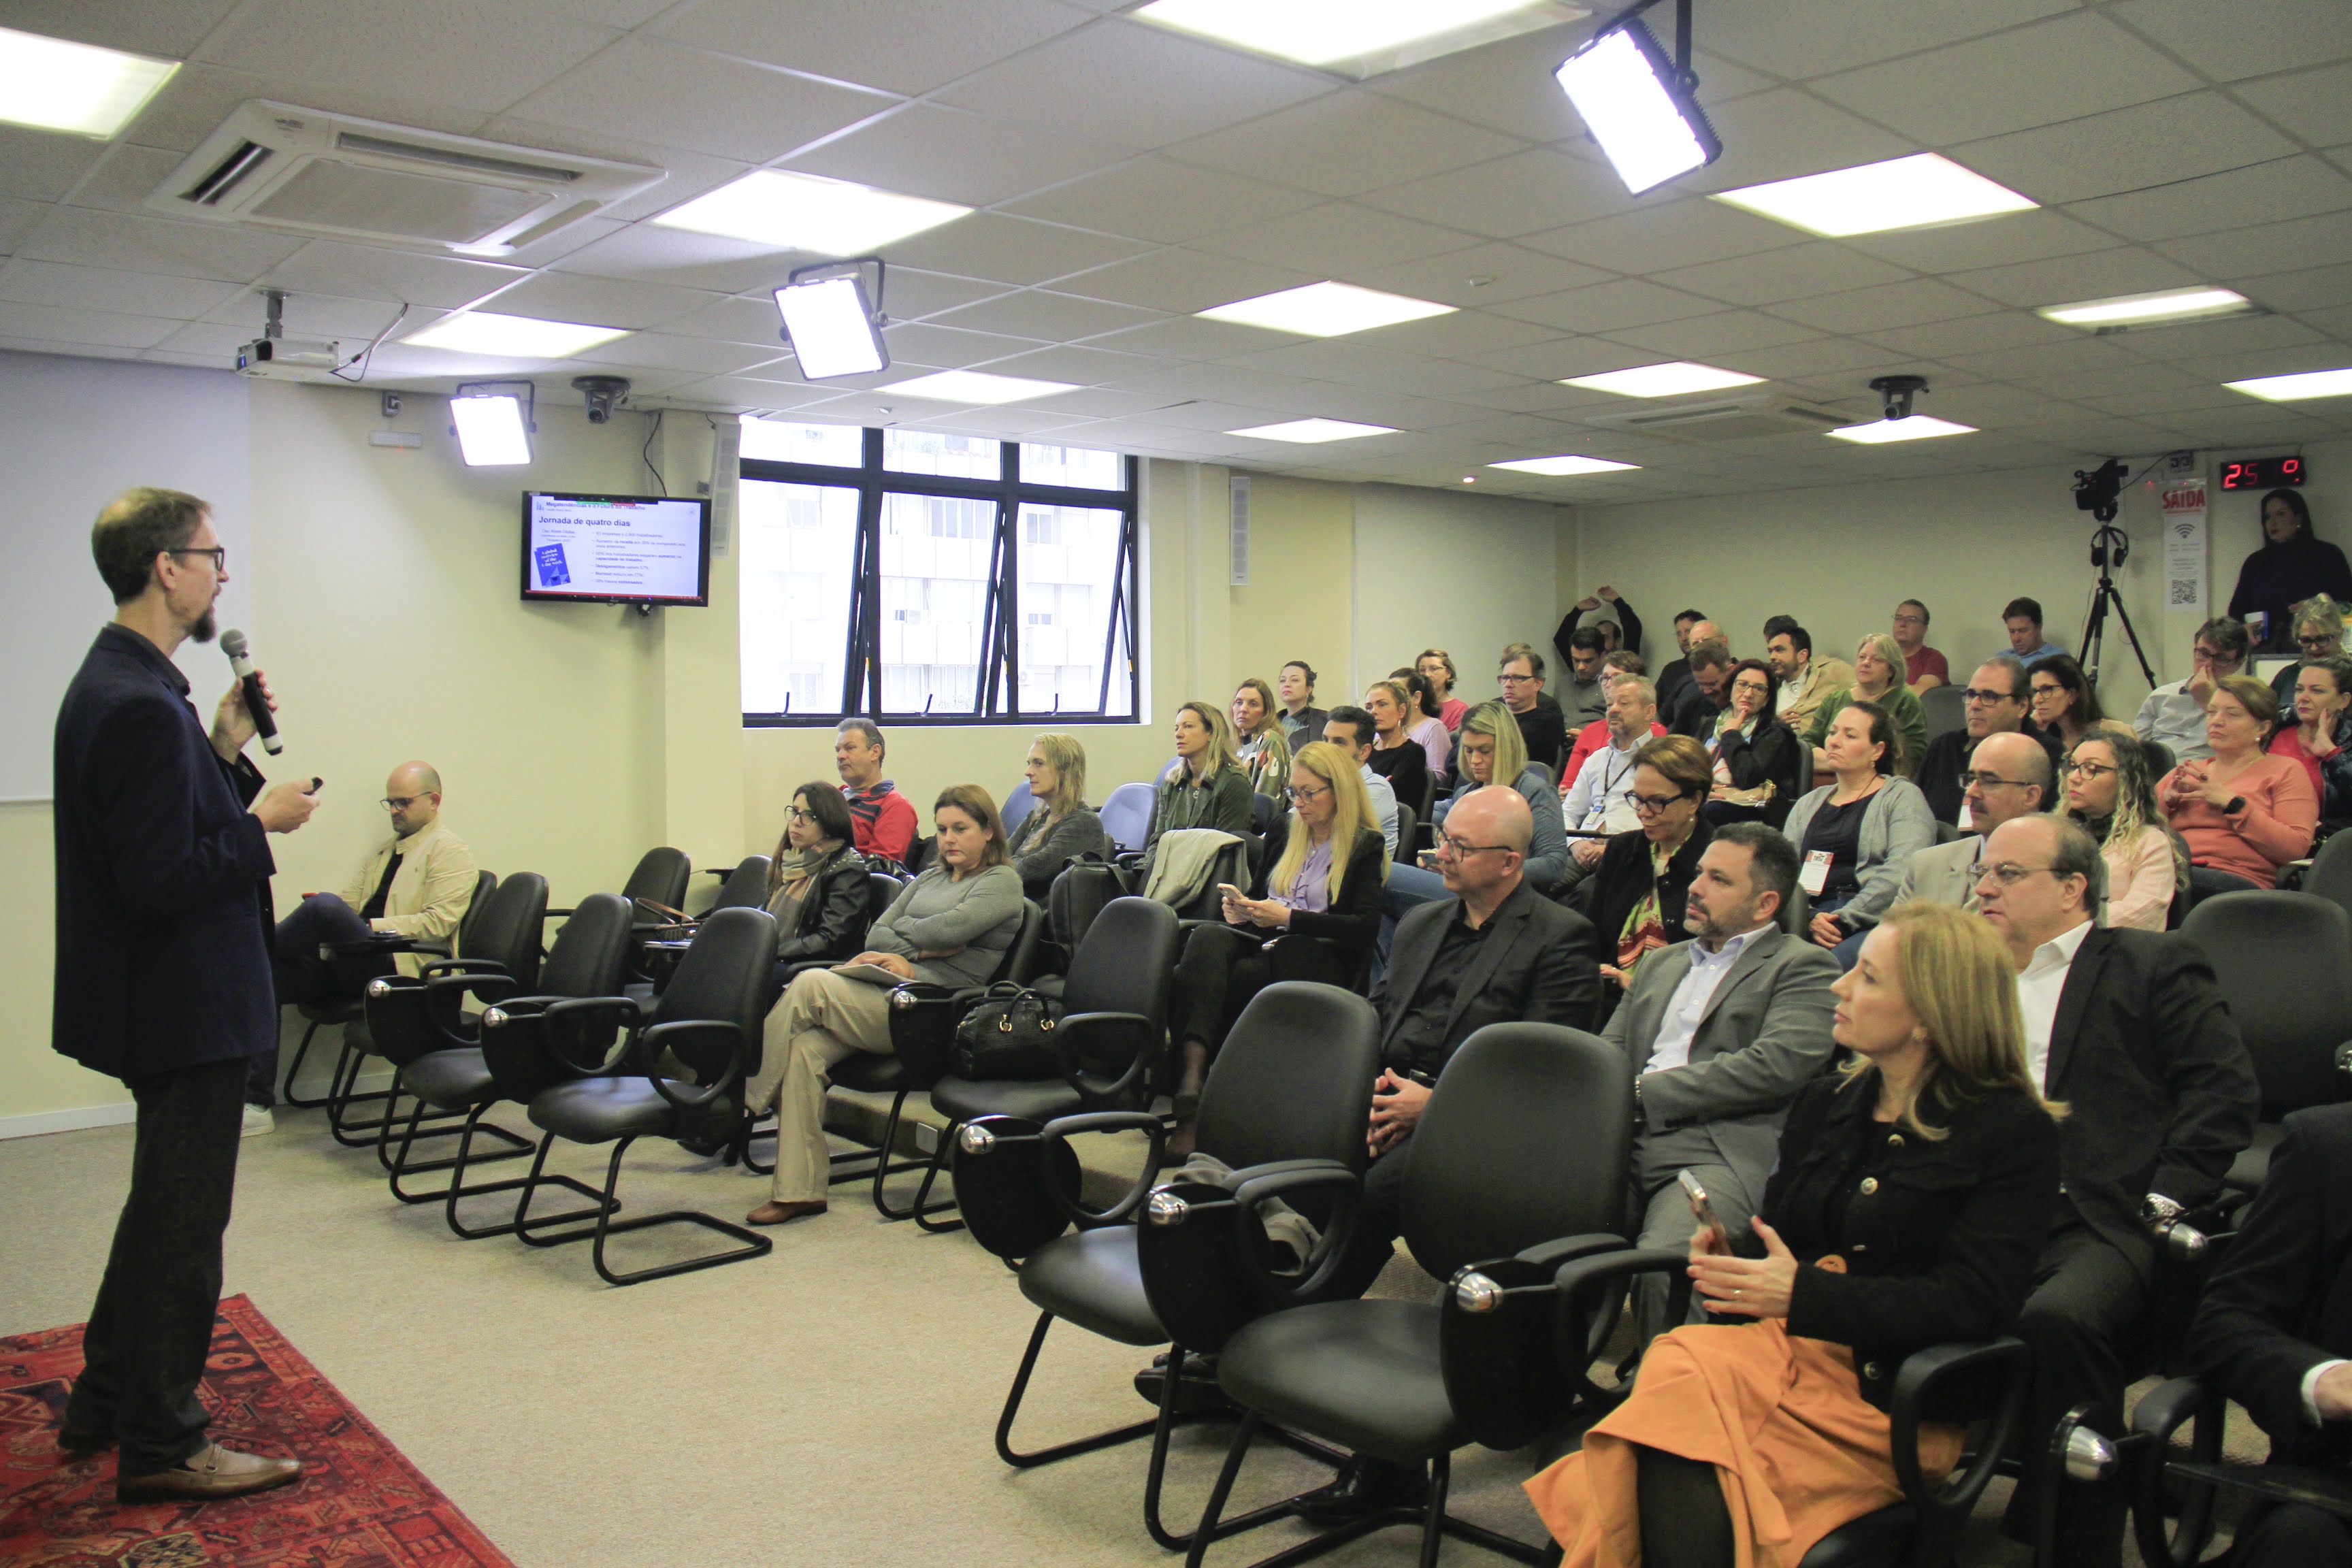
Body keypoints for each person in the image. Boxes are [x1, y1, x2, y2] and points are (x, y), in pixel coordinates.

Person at [1524, 902, 2066, 1568]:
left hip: (1884, 1405)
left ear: (1929, 1013)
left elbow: (1977, 1304)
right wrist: (1738, 1265)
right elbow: (1782, 1244)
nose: (1840, 986)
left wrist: (1801, 1294)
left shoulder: (2012, 1131)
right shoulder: (1830, 1102)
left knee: (1652, 1447)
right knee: (1670, 1427)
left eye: (1867, 978)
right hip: (1777, 1359)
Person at [54, 486, 319, 1501]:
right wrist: (268, 825)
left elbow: (163, 826)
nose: (220, 575)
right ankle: (165, 1446)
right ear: (165, 568)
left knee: (155, 1212)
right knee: (181, 1232)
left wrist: (221, 747)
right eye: (211, 556)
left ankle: (104, 1399)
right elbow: (161, 877)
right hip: (182, 1006)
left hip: (167, 1001)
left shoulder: (134, 688)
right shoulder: (129, 702)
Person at [1298, 787, 1603, 1522]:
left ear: (1509, 862)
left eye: (1461, 849)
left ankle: (1383, 1453)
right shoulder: (1425, 920)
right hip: (1395, 1093)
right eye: (1444, 842)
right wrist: (1367, 1093)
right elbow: (1380, 1014)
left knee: (1369, 1198)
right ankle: (1271, 1329)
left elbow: (1542, 1075)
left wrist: (1431, 1108)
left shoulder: (1562, 937)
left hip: (1484, 1124)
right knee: (1304, 1160)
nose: (1441, 856)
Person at [1973, 814, 2258, 1556]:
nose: (1984, 886)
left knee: (2061, 1318)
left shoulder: (2152, 963)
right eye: (1984, 870)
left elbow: (2222, 1092)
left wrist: (2164, 1199)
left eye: (2008, 873)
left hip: (2102, 1212)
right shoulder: (1969, 969)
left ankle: (2075, 1543)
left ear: (2073, 888)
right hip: (1975, 1200)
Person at [746, 785, 1026, 1226]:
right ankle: (799, 1191)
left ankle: (743, 1101)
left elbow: (949, 932)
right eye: (942, 830)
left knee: (810, 983)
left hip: (934, 1014)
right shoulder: (932, 878)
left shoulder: (1002, 882)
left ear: (989, 832)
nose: (948, 839)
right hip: (886, 994)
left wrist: (919, 950)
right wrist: (918, 949)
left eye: (961, 829)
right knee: (806, 1050)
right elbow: (878, 935)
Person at [1612, 823, 1840, 1342]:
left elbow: (1776, 1064)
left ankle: (1669, 1411)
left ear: (1764, 905)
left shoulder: (1804, 966)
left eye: (1718, 879)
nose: (1695, 887)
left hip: (1716, 1148)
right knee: (1532, 1221)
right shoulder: (1663, 963)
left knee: (1667, 1267)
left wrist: (1648, 1094)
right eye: (1699, 873)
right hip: (1621, 1134)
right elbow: (1611, 1050)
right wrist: (1607, 1102)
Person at [1165, 742, 1388, 1150]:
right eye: (1293, 792)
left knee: (1237, 973)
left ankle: (1219, 1099)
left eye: (1309, 793)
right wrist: (1241, 909)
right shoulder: (1286, 829)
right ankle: (1192, 1082)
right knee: (1208, 936)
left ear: (1338, 790)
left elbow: (1363, 927)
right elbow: (1258, 893)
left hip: (1314, 953)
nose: (1298, 803)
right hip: (1266, 938)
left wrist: (1287, 919)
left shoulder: (1364, 844)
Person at [257, 759, 476, 1130]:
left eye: (403, 802)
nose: (394, 811)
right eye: (389, 803)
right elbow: (347, 904)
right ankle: (254, 1103)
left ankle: (248, 947)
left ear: (433, 800)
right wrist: (338, 922)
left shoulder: (448, 850)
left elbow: (439, 922)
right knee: (264, 975)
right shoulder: (384, 852)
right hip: (352, 960)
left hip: (399, 967)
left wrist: (363, 925)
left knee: (321, 907)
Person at [2189, 1102, 2352, 1567]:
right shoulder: (2331, 1145)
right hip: (2337, 1491)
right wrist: (2325, 1380)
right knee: (2301, 1544)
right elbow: (2225, 1323)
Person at [1780, 702, 1936, 962]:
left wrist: (1844, 919)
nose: (1835, 742)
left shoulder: (1901, 797)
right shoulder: (1809, 802)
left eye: (1850, 735)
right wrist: (1807, 916)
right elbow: (1783, 870)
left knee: (1824, 968)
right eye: (1832, 733)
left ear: (1877, 750)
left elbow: (1902, 870)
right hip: (1805, 916)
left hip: (1869, 919)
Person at [1574, 735, 1714, 1019]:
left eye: (1657, 803)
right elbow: (1593, 934)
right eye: (1637, 799)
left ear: (1694, 801)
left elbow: (1716, 962)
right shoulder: (1623, 850)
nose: (1643, 813)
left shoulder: (1719, 860)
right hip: (1610, 1000)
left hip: (1680, 1008)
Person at [2157, 675, 2317, 898]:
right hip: (2175, 868)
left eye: (2232, 714)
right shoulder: (2185, 772)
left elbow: (2293, 849)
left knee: (2164, 880)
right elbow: (2134, 834)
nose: (2217, 721)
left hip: (2238, 880)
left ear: (2262, 727)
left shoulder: (2285, 770)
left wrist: (2233, 804)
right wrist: (2164, 804)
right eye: (2212, 712)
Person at [1880, 732, 2050, 920]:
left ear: (2030, 796)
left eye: (1989, 781)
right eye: (1971, 780)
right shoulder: (1926, 865)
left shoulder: (2049, 874)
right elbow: (1886, 944)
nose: (1971, 791)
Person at [1915, 657, 2063, 825]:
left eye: (1989, 696)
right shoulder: (1944, 747)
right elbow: (1916, 815)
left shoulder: (2046, 754)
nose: (1975, 705)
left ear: (2022, 706)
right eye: (1971, 695)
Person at [764, 782, 874, 998]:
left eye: (809, 816)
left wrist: (771, 950)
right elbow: (764, 915)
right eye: (795, 812)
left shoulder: (846, 868)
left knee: (749, 976)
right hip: (782, 955)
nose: (796, 822)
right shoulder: (791, 861)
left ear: (829, 822)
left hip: (811, 965)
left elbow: (831, 940)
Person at [2065, 734, 2183, 932]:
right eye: (2073, 766)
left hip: (2111, 954)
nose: (2074, 778)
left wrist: (2064, 924)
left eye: (2091, 769)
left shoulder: (2150, 842)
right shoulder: (2053, 834)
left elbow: (2143, 916)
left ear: (2125, 780)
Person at [1136, 700, 1255, 877]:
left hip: (1205, 880)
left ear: (1211, 734)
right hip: (1167, 874)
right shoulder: (1172, 781)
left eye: (1188, 727)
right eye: (1176, 728)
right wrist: (1146, 875)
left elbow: (1223, 852)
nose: (1179, 734)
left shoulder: (1233, 783)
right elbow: (1158, 840)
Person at [2229, 488, 2352, 651]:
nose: (2273, 522)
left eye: (2280, 514)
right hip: (2266, 649)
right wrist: (2244, 629)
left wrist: (2318, 607)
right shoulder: (2256, 562)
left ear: (2298, 518)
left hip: (2315, 646)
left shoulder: (2327, 555)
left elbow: (2347, 604)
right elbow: (2236, 612)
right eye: (2268, 517)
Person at [1562, 674, 1659, 875]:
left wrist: (1615, 849)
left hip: (1631, 857)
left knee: (1585, 895)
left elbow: (1663, 825)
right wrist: (1576, 843)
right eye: (1609, 704)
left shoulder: (1663, 760)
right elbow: (1568, 812)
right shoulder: (1597, 759)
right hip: (1584, 852)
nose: (1613, 709)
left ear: (1649, 712)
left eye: (1624, 703)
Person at [1806, 634, 1927, 781]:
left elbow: (1913, 755)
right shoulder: (1835, 699)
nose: (1866, 663)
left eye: (1877, 660)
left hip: (1884, 783)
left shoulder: (1906, 700)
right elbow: (1807, 744)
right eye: (1862, 657)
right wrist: (1839, 763)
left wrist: (1849, 764)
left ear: (1892, 670)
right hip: (1829, 780)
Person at [1004, 734, 1109, 901]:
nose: (1028, 772)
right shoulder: (1038, 816)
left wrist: (1010, 862)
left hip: (1041, 917)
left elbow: (1032, 869)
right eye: (1029, 763)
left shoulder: (1082, 822)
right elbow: (1002, 855)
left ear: (1065, 770)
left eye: (1038, 763)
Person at [2136, 617, 2251, 765]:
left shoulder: (2245, 704)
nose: (2208, 664)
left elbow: (2242, 753)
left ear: (2238, 664)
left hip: (2208, 778)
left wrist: (2210, 701)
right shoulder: (2161, 696)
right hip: (2156, 777)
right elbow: (2133, 749)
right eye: (2203, 653)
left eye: (2221, 658)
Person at [1703, 659, 1799, 830]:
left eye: (1759, 688)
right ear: (1730, 689)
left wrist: (1731, 734)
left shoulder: (1774, 733)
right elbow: (1687, 767)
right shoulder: (1709, 725)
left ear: (1767, 699)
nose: (1748, 694)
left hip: (1750, 810)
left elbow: (1748, 777)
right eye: (1742, 685)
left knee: (1708, 811)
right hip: (1708, 797)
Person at [2271, 655, 2352, 830]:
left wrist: (2332, 754)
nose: (2303, 698)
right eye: (2299, 690)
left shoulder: (2348, 741)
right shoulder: (2272, 727)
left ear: (2343, 700)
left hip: (2323, 843)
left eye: (2317, 691)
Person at [1564, 653, 1659, 782]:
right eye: (1605, 678)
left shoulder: (1655, 732)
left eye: (1617, 677)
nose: (1608, 684)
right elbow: (1567, 786)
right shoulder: (1590, 731)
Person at [834, 719, 917, 864]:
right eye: (838, 750)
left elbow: (882, 870)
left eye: (850, 748)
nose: (840, 756)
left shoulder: (895, 806)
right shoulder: (831, 797)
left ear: (875, 752)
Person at [1322, 705, 1401, 855]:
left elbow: (1330, 835)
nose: (1327, 748)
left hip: (1362, 873)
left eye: (1339, 742)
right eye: (1325, 740)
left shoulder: (1377, 788)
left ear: (1364, 751)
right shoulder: (1323, 782)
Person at [1763, 617, 1853, 738]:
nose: (1772, 657)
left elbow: (1866, 693)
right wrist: (1775, 724)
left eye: (1780, 650)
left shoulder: (1832, 671)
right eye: (1770, 651)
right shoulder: (1767, 686)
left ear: (1802, 656)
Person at [2028, 653, 2131, 753]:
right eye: (2034, 692)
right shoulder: (2041, 739)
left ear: (2072, 694)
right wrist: (2037, 735)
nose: (2037, 700)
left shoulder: (2115, 732)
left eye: (2047, 689)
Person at [1500, 642, 1569, 774]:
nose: (1508, 684)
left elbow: (1506, 751)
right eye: (1505, 678)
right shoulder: (1495, 708)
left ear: (1538, 683)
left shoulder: (1547, 720)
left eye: (1518, 678)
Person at [2270, 595, 2347, 708]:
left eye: (2322, 639)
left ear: (2340, 635)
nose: (2314, 648)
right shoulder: (2287, 677)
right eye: (2306, 640)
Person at [1557, 586, 1646, 676]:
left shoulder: (1625, 668)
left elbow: (1633, 628)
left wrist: (1618, 601)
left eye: (1604, 638)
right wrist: (1577, 610)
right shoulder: (1582, 666)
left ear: (1617, 642)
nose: (1599, 642)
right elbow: (1562, 638)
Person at [1228, 677, 1292, 798]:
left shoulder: (1270, 740)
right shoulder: (1233, 745)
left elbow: (1264, 801)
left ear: (1266, 711)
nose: (1243, 709)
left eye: (1253, 704)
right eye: (1239, 702)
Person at [1388, 667, 1452, 781]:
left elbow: (1438, 777)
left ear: (1417, 697)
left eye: (1398, 693)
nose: (1391, 699)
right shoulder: (1387, 730)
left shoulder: (1433, 728)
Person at [1667, 640, 1734, 742]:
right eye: (1701, 684)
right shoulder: (1692, 704)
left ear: (1730, 671)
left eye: (1712, 684)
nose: (1706, 691)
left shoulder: (1744, 703)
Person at [1654, 610, 1710, 719]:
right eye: (1679, 634)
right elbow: (1654, 704)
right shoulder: (1671, 670)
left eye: (1688, 631)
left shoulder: (1719, 667)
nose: (1683, 638)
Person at [1558, 627, 1611, 726]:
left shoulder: (1612, 686)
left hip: (1596, 740)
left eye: (1588, 661)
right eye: (1576, 660)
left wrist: (1586, 736)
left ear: (1603, 656)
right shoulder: (1563, 684)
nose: (1581, 667)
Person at [1893, 599, 1948, 692]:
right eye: (1898, 618)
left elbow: (1922, 693)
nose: (1902, 624)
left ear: (1924, 629)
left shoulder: (1934, 658)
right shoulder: (1881, 656)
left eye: (1912, 620)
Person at [1275, 659, 1328, 749]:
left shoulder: (1324, 721)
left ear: (1309, 688)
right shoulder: (1273, 722)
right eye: (1282, 680)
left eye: (1295, 680)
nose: (1287, 684)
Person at [1414, 648, 1469, 733]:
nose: (1427, 675)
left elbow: (1454, 743)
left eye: (1434, 668)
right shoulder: (1414, 705)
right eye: (1422, 670)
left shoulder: (1459, 709)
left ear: (1448, 673)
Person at [2004, 595, 2065, 664]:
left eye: (2023, 631)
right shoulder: (2002, 658)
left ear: (2039, 627)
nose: (2016, 639)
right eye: (2012, 632)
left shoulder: (2058, 659)